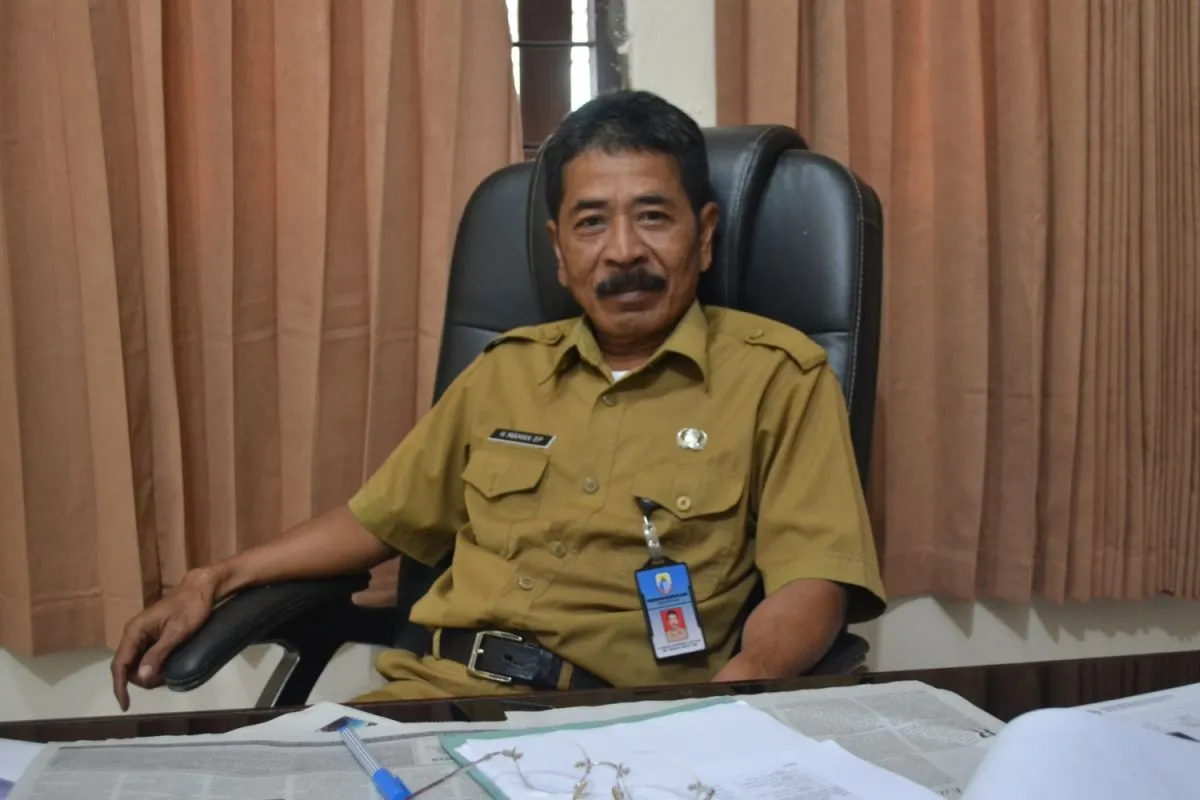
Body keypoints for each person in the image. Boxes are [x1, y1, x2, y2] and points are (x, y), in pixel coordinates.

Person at [110, 90, 887, 711]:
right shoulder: (505, 372)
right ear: (559, 251)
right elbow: (375, 520)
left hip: (622, 724)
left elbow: (812, 582)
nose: (623, 251)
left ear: (705, 234)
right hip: (431, 704)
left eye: (653, 216)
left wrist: (733, 697)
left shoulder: (779, 377)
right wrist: (216, 577)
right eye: (591, 223)